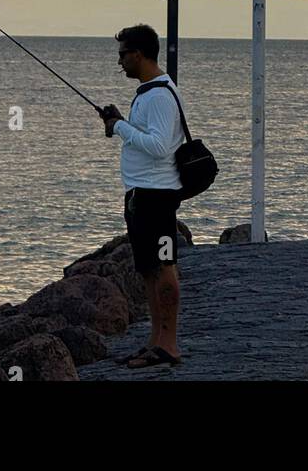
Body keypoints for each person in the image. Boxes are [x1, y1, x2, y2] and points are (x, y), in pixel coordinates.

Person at [100, 24, 185, 369]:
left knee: (164, 268)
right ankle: (155, 341)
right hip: (141, 196)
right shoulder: (147, 93)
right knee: (149, 270)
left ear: (139, 54)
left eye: (123, 55)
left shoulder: (161, 96)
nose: (119, 62)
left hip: (157, 198)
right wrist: (121, 121)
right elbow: (147, 137)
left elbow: (160, 146)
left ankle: (169, 346)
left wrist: (119, 127)